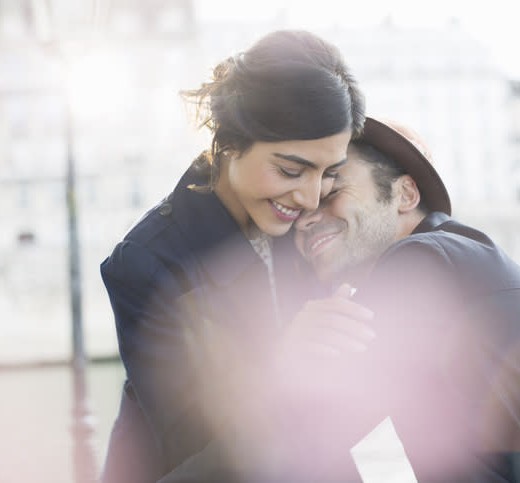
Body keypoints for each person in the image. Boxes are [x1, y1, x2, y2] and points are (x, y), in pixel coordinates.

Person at [289, 117, 520, 482]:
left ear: (405, 195)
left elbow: (307, 432)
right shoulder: (463, 256)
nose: (304, 221)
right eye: (296, 210)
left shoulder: (419, 263)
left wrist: (289, 345)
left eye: (331, 193)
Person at [98, 29, 365, 483]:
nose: (308, 196)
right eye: (290, 169)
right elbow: (196, 448)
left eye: (329, 174)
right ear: (230, 140)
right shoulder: (146, 263)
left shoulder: (304, 222)